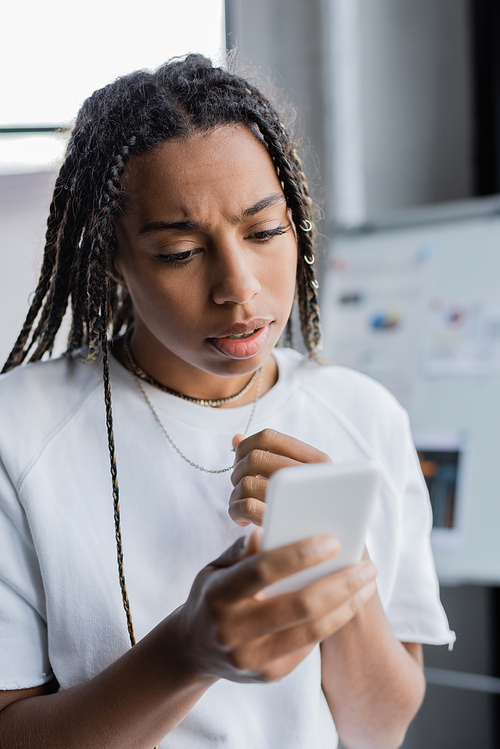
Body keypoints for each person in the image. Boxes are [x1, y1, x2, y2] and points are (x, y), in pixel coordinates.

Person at [0, 55, 454, 749]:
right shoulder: (19, 429)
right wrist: (188, 651)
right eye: (180, 251)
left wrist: (335, 564)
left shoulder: (365, 414)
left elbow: (379, 728)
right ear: (110, 258)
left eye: (265, 232)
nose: (240, 290)